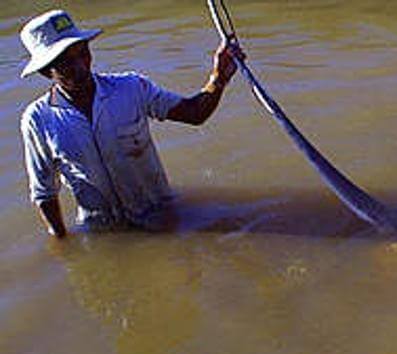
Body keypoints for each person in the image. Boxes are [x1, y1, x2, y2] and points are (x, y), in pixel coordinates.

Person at [19, 9, 243, 237]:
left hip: (161, 214)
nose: (80, 66)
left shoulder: (131, 88)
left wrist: (219, 77)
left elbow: (195, 113)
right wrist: (62, 243)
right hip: (104, 232)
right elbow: (44, 192)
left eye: (83, 53)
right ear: (47, 71)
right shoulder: (37, 119)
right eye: (66, 62)